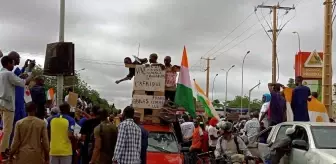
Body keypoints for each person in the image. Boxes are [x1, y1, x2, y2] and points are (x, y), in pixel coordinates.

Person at [0, 56, 32, 159]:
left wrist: (23, 73)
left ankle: (5, 149)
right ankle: (3, 151)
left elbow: (16, 79)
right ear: (8, 63)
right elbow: (24, 82)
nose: (14, 65)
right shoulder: (9, 74)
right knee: (8, 130)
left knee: (6, 128)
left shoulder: (1, 73)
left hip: (2, 103)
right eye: (13, 63)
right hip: (9, 105)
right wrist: (30, 74)